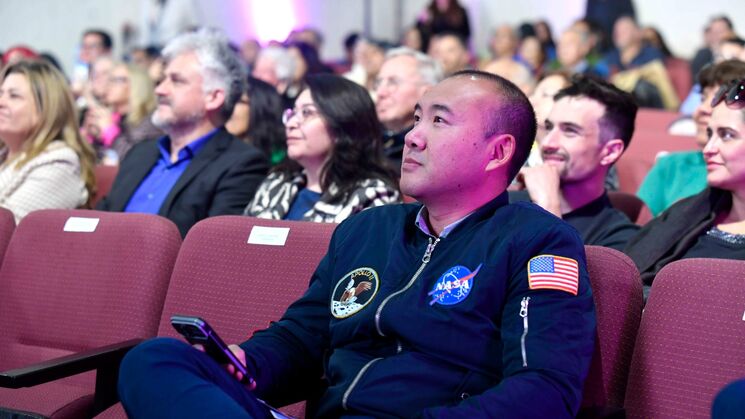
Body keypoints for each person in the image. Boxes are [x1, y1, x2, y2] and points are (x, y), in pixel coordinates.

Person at [118, 70, 596, 418]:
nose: (412, 137)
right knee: (155, 359)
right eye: (415, 119)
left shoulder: (537, 242)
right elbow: (302, 338)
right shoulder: (368, 229)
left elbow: (543, 391)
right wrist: (247, 361)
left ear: (499, 151)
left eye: (439, 122)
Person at [96, 29, 269, 238]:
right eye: (162, 80)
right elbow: (102, 220)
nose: (160, 90)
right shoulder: (141, 153)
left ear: (213, 97)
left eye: (177, 81)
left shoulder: (240, 164)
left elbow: (213, 248)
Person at [625, 77, 745, 295]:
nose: (709, 148)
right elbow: (625, 280)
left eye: (726, 135)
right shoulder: (686, 212)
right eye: (710, 134)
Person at [244, 74, 399, 222]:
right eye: (292, 113)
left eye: (307, 113)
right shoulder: (278, 182)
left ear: (342, 124)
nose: (291, 124)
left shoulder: (372, 196)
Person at [511, 75, 639, 251]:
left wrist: (547, 206)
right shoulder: (504, 205)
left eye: (570, 131)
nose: (548, 142)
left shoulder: (618, 239)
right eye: (549, 127)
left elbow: (551, 278)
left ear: (610, 151)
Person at [638, 60, 745, 216]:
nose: (702, 109)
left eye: (718, 99)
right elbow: (637, 230)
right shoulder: (671, 165)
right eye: (703, 98)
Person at [0, 60, 96, 222]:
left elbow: (7, 230)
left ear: (47, 107)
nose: (1, 102)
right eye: (0, 93)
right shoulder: (4, 154)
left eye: (14, 96)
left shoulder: (59, 163)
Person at [374, 47, 443, 171]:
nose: (380, 92)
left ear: (427, 92)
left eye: (393, 82)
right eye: (378, 83)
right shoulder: (365, 139)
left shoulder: (436, 149)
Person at [82, 61, 163, 164]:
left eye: (115, 80)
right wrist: (92, 138)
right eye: (109, 79)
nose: (108, 85)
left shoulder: (150, 121)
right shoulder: (114, 118)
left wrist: (109, 132)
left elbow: (136, 159)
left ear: (136, 84)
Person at [225, 76, 287, 167]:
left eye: (238, 102)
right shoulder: (218, 155)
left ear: (261, 107)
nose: (227, 108)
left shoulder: (280, 160)